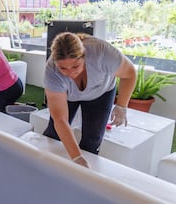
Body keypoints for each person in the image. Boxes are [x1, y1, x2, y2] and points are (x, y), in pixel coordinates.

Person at [43, 32, 136, 168]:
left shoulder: (102, 52)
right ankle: (49, 167)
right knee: (54, 133)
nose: (70, 73)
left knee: (93, 138)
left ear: (85, 56)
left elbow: (130, 73)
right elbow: (60, 120)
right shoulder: (51, 71)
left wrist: (122, 106)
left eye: (75, 66)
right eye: (63, 68)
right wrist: (77, 157)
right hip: (69, 95)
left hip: (101, 93)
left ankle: (87, 173)